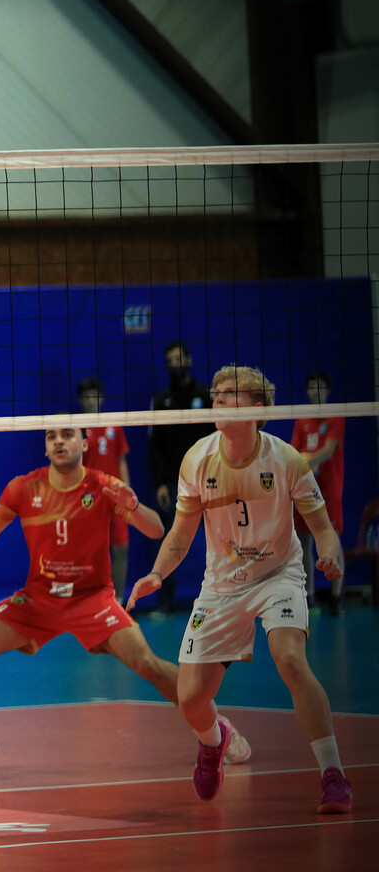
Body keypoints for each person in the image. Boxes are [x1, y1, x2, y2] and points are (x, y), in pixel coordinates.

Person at [0, 424, 251, 774]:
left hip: (93, 599)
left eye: (67, 434)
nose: (58, 441)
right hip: (39, 597)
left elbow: (156, 530)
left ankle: (216, 728)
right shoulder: (24, 487)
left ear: (84, 443)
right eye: (51, 437)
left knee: (147, 664)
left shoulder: (103, 486)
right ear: (45, 448)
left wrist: (135, 506)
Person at [127, 365, 352, 814]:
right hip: (222, 585)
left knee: (291, 660)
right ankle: (216, 741)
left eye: (231, 394)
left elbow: (323, 529)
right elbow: (180, 534)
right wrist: (157, 573)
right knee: (191, 698)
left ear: (257, 408)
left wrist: (331, 555)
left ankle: (333, 775)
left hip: (278, 575)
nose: (218, 399)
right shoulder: (197, 459)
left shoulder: (287, 460)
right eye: (216, 393)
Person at [147, 341, 213, 610]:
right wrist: (160, 483)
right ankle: (165, 599)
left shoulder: (206, 395)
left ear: (189, 359)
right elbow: (155, 447)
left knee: (222, 537)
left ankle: (226, 595)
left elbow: (219, 439)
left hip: (210, 480)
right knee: (172, 539)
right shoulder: (161, 400)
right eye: (170, 360)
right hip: (176, 482)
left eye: (178, 359)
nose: (175, 364)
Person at [291, 371, 345, 615]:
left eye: (320, 386)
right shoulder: (301, 418)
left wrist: (305, 461)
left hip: (329, 487)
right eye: (312, 386)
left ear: (328, 390)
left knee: (332, 538)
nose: (316, 390)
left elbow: (328, 450)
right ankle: (309, 595)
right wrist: (299, 463)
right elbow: (293, 451)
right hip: (305, 488)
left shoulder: (336, 415)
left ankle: (336, 597)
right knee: (304, 542)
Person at [76, 377, 131, 599]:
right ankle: (95, 600)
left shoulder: (113, 424)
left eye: (95, 395)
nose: (91, 400)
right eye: (87, 396)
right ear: (81, 400)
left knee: (121, 547)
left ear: (102, 398)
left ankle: (118, 600)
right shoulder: (78, 428)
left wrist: (127, 490)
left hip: (115, 495)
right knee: (93, 551)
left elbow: (121, 460)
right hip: (90, 496)